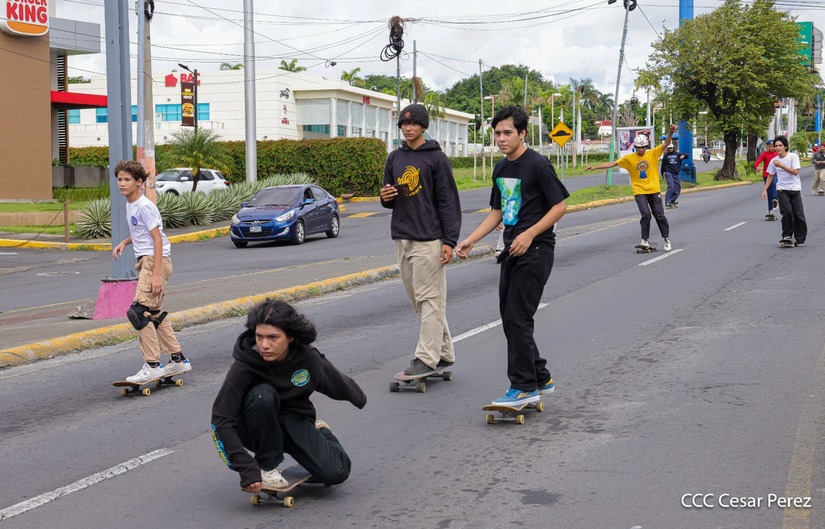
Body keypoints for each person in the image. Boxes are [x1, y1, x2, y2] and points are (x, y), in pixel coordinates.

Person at [455, 106, 568, 406]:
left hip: (538, 249)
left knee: (518, 318)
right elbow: (497, 213)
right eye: (497, 133)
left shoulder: (538, 165)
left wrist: (530, 233)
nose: (501, 139)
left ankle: (523, 386)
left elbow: (559, 207)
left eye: (507, 133)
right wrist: (470, 240)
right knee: (510, 319)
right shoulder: (501, 169)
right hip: (511, 250)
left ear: (522, 133)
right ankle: (540, 376)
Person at [210, 299, 366, 492]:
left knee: (335, 473)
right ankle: (267, 467)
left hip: (294, 419)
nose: (264, 345)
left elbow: (336, 381)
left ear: (290, 337)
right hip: (255, 425)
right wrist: (245, 467)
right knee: (262, 395)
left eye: (273, 337)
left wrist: (358, 397)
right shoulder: (245, 365)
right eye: (259, 337)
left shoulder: (307, 358)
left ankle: (322, 432)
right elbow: (221, 419)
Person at [379, 103, 462, 377]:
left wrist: (449, 241)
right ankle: (445, 353)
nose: (408, 128)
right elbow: (389, 198)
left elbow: (448, 202)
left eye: (413, 124)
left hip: (429, 239)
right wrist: (385, 198)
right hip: (402, 237)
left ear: (423, 126)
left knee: (430, 299)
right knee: (420, 301)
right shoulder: (394, 158)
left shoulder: (436, 158)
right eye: (403, 124)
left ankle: (426, 358)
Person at [112, 160, 190, 383]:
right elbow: (142, 233)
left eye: (128, 180)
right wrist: (125, 242)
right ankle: (178, 359)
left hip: (154, 261)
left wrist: (156, 274)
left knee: (137, 312)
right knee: (153, 313)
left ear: (139, 182)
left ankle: (153, 365)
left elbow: (157, 239)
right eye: (120, 179)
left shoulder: (145, 206)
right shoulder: (131, 204)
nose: (122, 184)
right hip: (149, 260)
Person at [585, 124, 677, 252]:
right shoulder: (629, 158)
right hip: (639, 190)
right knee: (645, 215)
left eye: (643, 147)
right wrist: (595, 167)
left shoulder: (653, 153)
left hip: (654, 189)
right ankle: (644, 239)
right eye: (639, 148)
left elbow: (666, 144)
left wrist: (671, 132)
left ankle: (666, 238)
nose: (641, 150)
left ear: (646, 147)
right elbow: (613, 163)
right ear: (635, 147)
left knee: (659, 215)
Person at [762, 135, 807, 246]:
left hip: (794, 189)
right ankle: (786, 235)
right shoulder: (774, 161)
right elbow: (771, 175)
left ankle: (800, 238)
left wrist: (781, 166)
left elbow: (795, 172)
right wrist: (764, 190)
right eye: (776, 146)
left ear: (785, 146)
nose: (777, 148)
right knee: (787, 212)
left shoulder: (793, 157)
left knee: (798, 214)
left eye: (780, 145)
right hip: (782, 189)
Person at [754, 139, 779, 217]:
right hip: (766, 175)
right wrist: (757, 167)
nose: (771, 148)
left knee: (774, 184)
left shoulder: (777, 154)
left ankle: (775, 199)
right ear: (767, 147)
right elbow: (757, 162)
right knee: (769, 192)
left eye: (772, 146)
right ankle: (770, 210)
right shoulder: (765, 154)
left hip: (775, 173)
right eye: (769, 146)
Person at [660, 144, 688, 208]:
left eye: (671, 148)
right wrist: (662, 173)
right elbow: (663, 165)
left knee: (678, 187)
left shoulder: (678, 155)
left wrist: (684, 155)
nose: (670, 149)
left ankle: (672, 200)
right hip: (668, 172)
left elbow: (687, 155)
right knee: (671, 186)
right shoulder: (666, 156)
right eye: (669, 148)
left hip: (676, 173)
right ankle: (667, 201)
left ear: (673, 148)